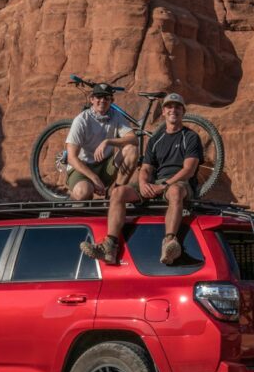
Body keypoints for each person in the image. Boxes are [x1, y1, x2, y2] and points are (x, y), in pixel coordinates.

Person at [81, 93, 202, 265]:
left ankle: (169, 243)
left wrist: (165, 185)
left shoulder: (190, 137)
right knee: (119, 192)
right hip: (155, 183)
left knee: (175, 191)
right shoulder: (156, 139)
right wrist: (144, 183)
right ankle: (110, 246)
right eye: (169, 107)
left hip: (178, 183)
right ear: (163, 112)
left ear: (183, 111)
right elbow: (146, 168)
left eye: (177, 107)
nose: (173, 110)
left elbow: (189, 169)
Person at [64, 83, 138, 201]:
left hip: (104, 166)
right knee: (83, 192)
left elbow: (133, 139)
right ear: (92, 99)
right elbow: (71, 158)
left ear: (111, 101)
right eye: (98, 97)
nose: (102, 100)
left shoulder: (116, 116)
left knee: (131, 150)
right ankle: (72, 203)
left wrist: (108, 142)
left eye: (106, 98)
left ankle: (115, 194)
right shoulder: (82, 120)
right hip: (83, 168)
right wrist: (95, 178)